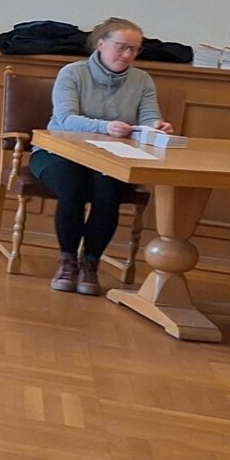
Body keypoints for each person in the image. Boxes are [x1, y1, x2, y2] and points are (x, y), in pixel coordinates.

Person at [35, 16, 174, 296]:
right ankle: (67, 261)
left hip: (112, 157)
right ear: (101, 44)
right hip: (59, 151)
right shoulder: (72, 73)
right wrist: (105, 127)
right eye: (121, 47)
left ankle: (90, 264)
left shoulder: (142, 80)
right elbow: (65, 118)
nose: (127, 55)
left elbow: (149, 117)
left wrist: (157, 127)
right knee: (73, 187)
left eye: (134, 49)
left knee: (107, 190)